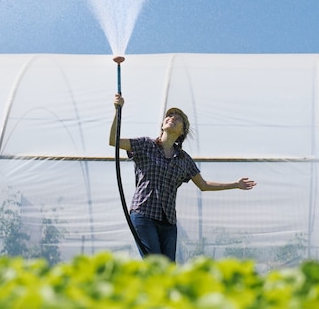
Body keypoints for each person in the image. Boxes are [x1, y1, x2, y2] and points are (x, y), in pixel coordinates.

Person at [109, 93, 257, 261]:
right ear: (162, 124)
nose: (172, 118)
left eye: (178, 118)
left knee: (169, 268)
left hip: (168, 221)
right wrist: (117, 111)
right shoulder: (145, 145)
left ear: (182, 131)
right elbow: (113, 141)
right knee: (155, 264)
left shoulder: (183, 159)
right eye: (170, 115)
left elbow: (204, 185)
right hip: (144, 214)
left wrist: (235, 184)